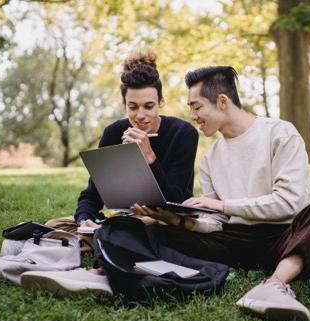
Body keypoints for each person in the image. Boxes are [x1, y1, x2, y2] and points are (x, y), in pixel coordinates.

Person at [130, 66, 310, 321]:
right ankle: (112, 269)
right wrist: (176, 220)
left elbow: (290, 203)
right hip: (234, 241)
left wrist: (223, 205)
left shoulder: (280, 133)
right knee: (158, 230)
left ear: (222, 101)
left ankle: (274, 286)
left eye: (197, 107)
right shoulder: (209, 160)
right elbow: (217, 223)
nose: (193, 116)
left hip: (284, 235)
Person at [45, 49, 199, 250]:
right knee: (53, 225)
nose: (140, 115)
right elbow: (93, 193)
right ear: (124, 104)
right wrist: (84, 220)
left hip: (163, 222)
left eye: (149, 106)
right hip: (121, 217)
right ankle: (90, 238)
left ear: (161, 103)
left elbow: (176, 200)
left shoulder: (183, 133)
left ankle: (88, 243)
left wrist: (149, 157)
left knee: (139, 229)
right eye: (133, 107)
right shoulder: (113, 133)